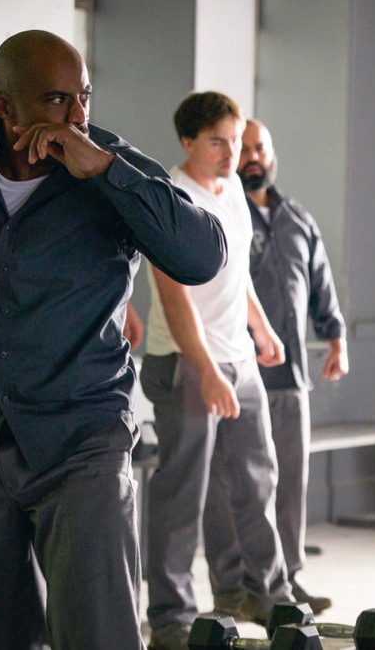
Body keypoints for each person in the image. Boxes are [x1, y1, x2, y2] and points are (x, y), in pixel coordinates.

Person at [0, 30, 226, 649]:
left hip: (82, 445)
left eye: (84, 96)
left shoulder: (112, 166)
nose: (77, 116)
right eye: (57, 100)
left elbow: (201, 256)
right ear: (5, 107)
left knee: (99, 635)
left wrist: (106, 172)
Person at [141, 92, 292, 650]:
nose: (232, 154)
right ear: (187, 142)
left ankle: (264, 594)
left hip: (238, 357)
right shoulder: (171, 198)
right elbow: (173, 296)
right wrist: (205, 369)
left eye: (235, 141)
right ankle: (170, 618)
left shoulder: (231, 192)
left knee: (258, 481)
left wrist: (261, 326)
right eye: (217, 143)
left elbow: (235, 270)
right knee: (183, 494)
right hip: (186, 362)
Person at [241, 118, 348, 613]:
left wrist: (336, 338)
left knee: (290, 482)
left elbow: (321, 282)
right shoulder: (225, 212)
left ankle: (290, 577)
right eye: (244, 149)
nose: (252, 157)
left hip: (291, 375)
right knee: (245, 485)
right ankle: (246, 585)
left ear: (272, 154)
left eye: (259, 148)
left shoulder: (298, 218)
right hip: (241, 376)